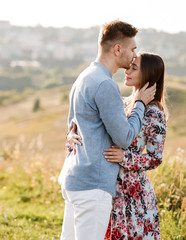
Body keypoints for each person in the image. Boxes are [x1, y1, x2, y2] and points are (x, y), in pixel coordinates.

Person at [58, 20, 156, 240]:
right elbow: (123, 138)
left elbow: (72, 127)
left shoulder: (83, 77)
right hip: (92, 184)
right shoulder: (105, 84)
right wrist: (139, 103)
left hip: (74, 178)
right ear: (117, 49)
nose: (133, 55)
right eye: (132, 49)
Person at [68, 52, 167, 239]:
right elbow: (87, 126)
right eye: (129, 66)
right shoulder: (120, 103)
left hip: (133, 195)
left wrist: (125, 158)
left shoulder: (154, 114)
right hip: (105, 186)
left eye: (133, 68)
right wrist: (71, 135)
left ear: (148, 74)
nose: (126, 71)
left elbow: (155, 159)